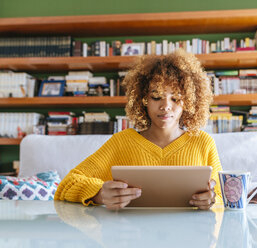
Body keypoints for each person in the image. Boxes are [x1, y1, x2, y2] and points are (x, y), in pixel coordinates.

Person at [55, 49, 222, 210]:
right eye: (156, 97)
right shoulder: (122, 142)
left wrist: (212, 201)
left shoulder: (203, 143)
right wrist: (99, 194)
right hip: (133, 235)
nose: (166, 106)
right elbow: (67, 184)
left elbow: (224, 198)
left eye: (176, 98)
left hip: (188, 236)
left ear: (189, 101)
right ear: (143, 99)